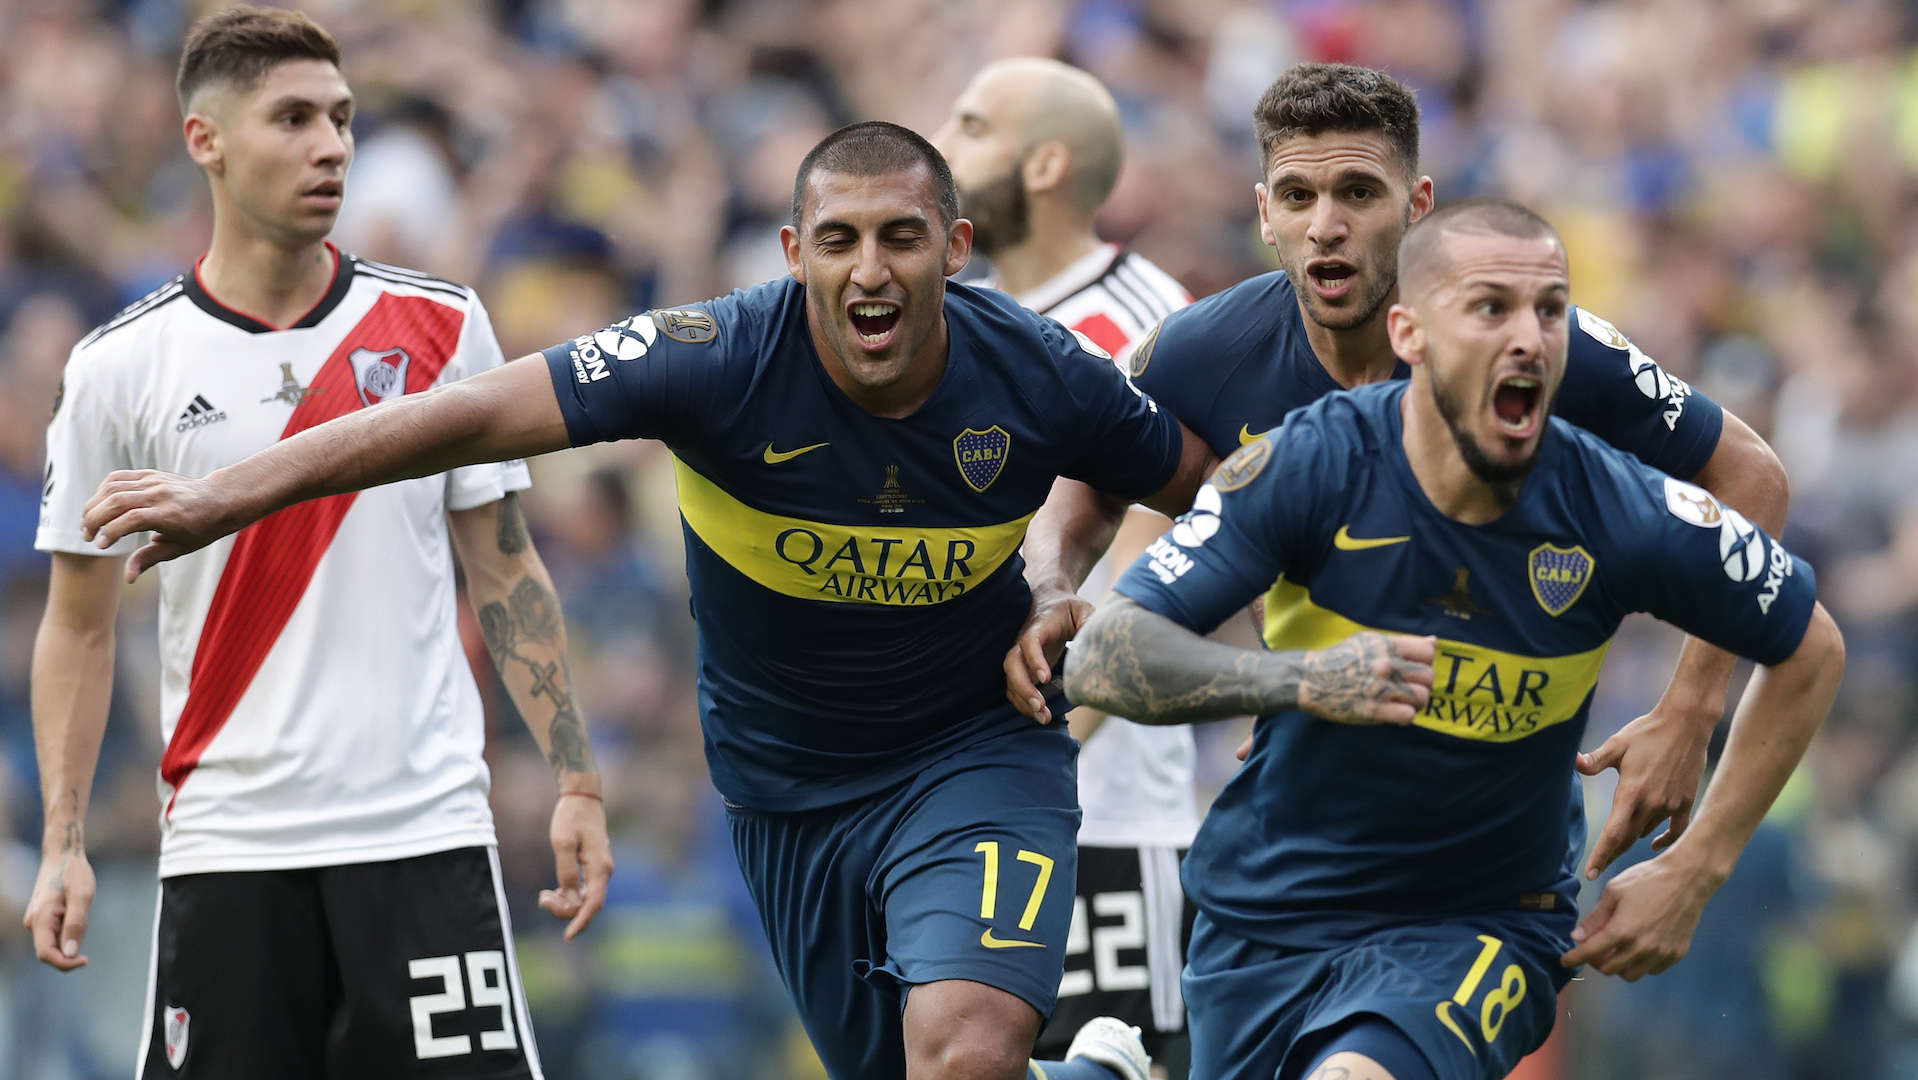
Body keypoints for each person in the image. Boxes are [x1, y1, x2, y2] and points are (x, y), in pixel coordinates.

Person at [74, 121, 1221, 1080]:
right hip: (788, 793)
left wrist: (1065, 579)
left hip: (978, 753)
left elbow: (1195, 486)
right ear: (791, 252)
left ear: (956, 248)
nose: (869, 270)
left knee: (962, 1054)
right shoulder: (714, 354)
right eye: (838, 241)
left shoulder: (1039, 368)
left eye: (901, 238)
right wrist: (228, 494)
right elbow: (466, 414)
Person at [1063, 198, 1844, 1080]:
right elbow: (1103, 656)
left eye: (1550, 310)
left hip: (1480, 921)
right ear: (1409, 333)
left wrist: (1697, 866)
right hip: (1264, 910)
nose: (1530, 338)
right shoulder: (1304, 466)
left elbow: (1811, 649)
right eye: (1490, 308)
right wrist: (1298, 680)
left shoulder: (1621, 509)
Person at [24, 9, 612, 1078]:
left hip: (422, 833)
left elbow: (506, 565)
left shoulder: (441, 327)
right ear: (204, 141)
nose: (331, 145)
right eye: (292, 118)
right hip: (229, 848)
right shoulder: (120, 365)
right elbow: (78, 625)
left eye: (341, 118)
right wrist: (63, 845)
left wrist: (575, 776)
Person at [1032, 62, 1793, 886]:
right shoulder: (1200, 353)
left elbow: (1751, 478)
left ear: (1419, 205)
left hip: (1498, 830)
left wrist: (1689, 710)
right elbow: (1091, 474)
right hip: (1314, 803)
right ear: (1263, 214)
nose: (1326, 225)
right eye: (1296, 197)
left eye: (1359, 192)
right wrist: (1052, 583)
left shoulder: (1537, 347)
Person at [935, 58, 1199, 1072]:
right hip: (967, 807)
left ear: (1045, 163)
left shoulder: (1148, 326)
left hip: (1100, 821)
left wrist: (1018, 769)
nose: (942, 148)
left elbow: (1140, 588)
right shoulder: (964, 321)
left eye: (970, 125)